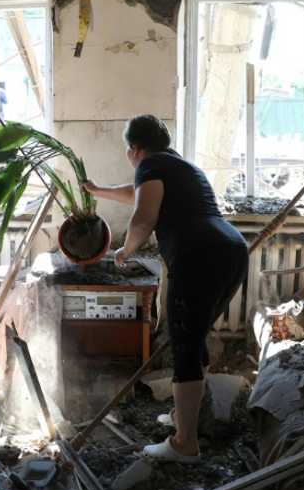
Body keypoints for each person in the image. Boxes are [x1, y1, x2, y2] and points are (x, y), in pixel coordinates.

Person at [84, 115, 248, 462]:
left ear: (135, 150)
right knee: (194, 335)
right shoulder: (177, 165)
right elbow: (137, 194)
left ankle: (184, 444)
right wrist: (99, 191)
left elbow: (144, 216)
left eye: (129, 152)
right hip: (230, 250)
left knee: (185, 344)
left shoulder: (150, 164)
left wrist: (125, 251)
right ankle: (185, 417)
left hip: (198, 257)